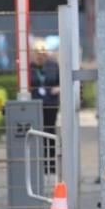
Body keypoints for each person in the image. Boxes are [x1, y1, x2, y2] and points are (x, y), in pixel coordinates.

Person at [30, 39, 60, 173]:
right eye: (37, 54)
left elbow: (62, 82)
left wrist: (58, 89)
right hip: (35, 105)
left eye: (42, 55)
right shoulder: (29, 67)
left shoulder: (53, 66)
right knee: (38, 134)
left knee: (50, 133)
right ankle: (40, 164)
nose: (39, 57)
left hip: (51, 104)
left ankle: (51, 165)